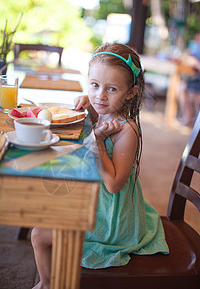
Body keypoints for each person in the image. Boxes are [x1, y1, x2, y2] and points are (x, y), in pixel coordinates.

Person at [31, 43, 169, 289]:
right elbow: (96, 103)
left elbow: (114, 184)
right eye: (94, 85)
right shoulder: (100, 109)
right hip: (91, 199)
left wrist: (98, 142)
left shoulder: (127, 131)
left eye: (111, 89)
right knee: (41, 204)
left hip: (110, 217)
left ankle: (46, 284)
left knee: (39, 234)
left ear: (130, 93)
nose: (100, 96)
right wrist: (89, 102)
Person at [178, 33, 200, 126]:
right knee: (181, 87)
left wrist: (196, 63)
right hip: (195, 79)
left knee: (183, 89)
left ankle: (189, 118)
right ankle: (188, 118)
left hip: (197, 82)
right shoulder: (195, 49)